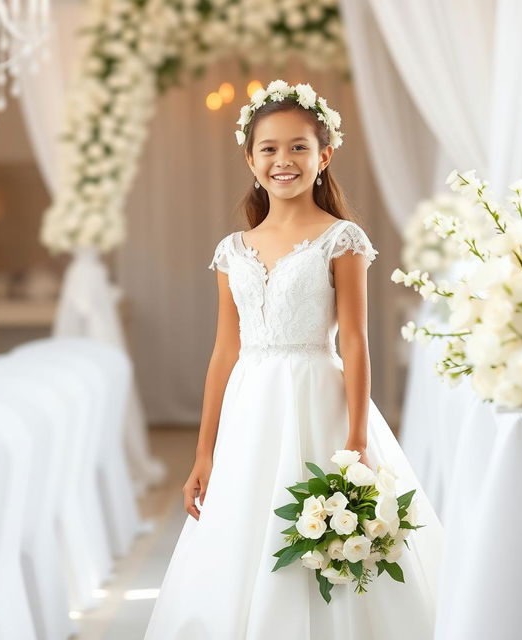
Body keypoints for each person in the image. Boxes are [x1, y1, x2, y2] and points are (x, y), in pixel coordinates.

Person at [144, 79, 443, 640]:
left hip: (317, 399)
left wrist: (356, 438)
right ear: (251, 160)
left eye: (299, 147)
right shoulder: (233, 250)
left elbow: (354, 340)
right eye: (270, 149)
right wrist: (204, 451)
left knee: (325, 525)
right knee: (246, 530)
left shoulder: (342, 239)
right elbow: (224, 350)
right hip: (250, 408)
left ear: (323, 156)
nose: (284, 160)